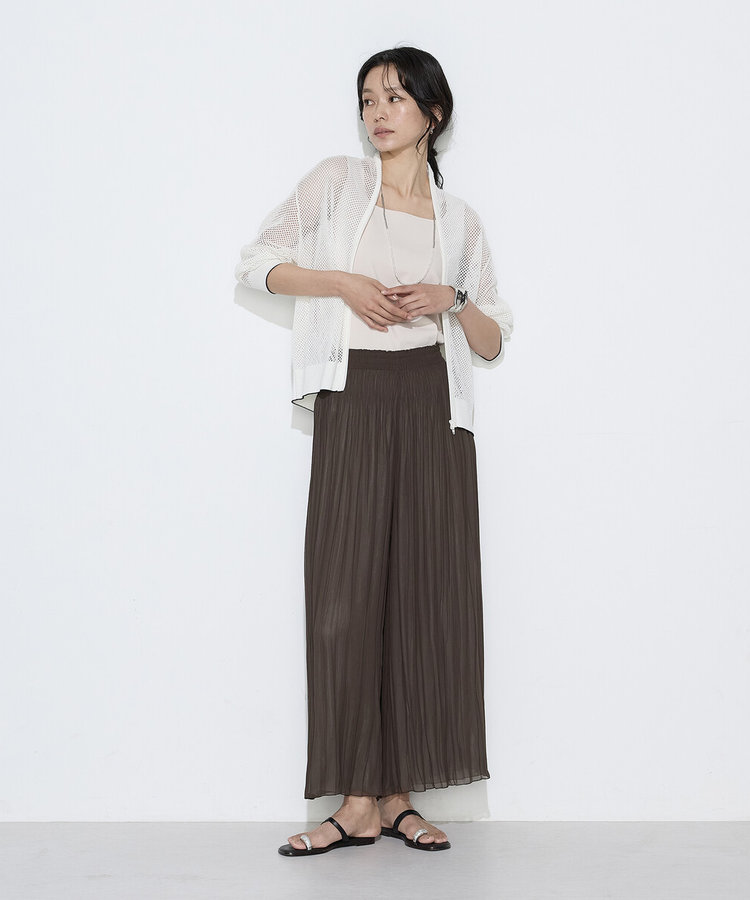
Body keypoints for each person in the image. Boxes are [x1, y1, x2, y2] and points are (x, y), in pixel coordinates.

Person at [235, 46, 514, 858]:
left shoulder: (460, 222)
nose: (378, 112)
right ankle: (355, 801)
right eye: (367, 99)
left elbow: (493, 339)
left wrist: (452, 298)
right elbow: (257, 265)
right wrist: (344, 284)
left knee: (425, 598)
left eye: (394, 97)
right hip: (354, 398)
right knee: (345, 600)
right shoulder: (336, 184)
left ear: (433, 112)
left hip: (432, 407)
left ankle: (398, 799)